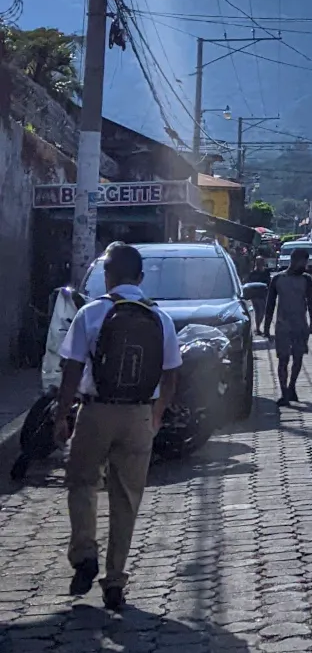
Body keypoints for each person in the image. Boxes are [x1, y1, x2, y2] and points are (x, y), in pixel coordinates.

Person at [53, 243, 181, 610]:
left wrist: (63, 414)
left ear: (107, 276)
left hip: (96, 412)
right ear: (140, 278)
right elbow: (171, 374)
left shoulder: (91, 314)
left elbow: (72, 369)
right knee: (126, 499)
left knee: (81, 482)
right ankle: (115, 582)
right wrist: (155, 416)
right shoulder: (161, 319)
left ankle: (84, 554)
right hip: (139, 416)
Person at [264, 248, 312, 406]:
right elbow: (270, 304)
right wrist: (266, 327)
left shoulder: (306, 279)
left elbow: (311, 303)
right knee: (283, 359)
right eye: (303, 262)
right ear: (294, 261)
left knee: (298, 357)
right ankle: (283, 391)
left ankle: (292, 385)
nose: (305, 265)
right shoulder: (277, 279)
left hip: (300, 325)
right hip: (283, 325)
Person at [246, 255, 272, 337]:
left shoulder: (266, 272)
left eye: (261, 261)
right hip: (255, 295)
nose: (260, 263)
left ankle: (257, 327)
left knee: (262, 312)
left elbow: (269, 282)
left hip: (264, 294)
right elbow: (249, 283)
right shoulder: (252, 273)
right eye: (258, 262)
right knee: (258, 312)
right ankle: (257, 328)